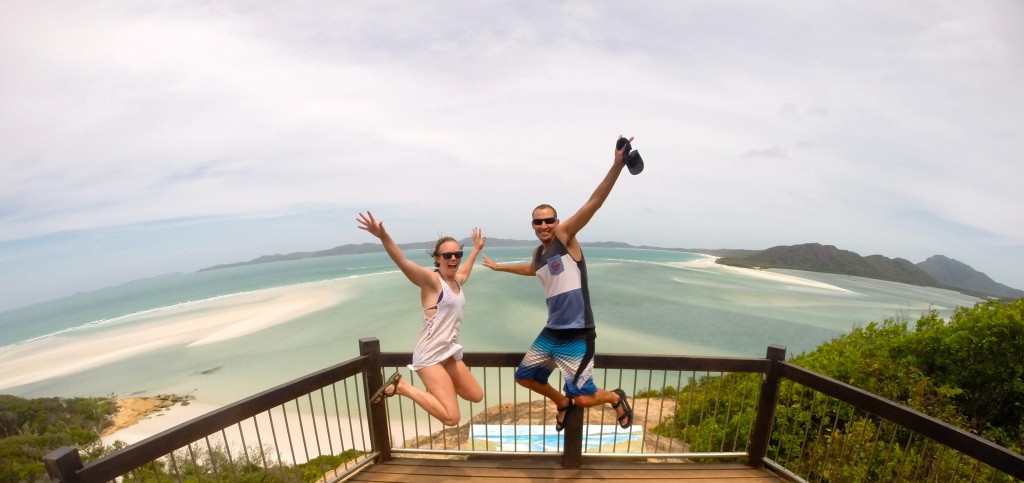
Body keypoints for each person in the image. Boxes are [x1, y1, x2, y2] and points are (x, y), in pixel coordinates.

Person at [481, 135, 635, 431]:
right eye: (538, 222)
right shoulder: (538, 253)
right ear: (532, 225)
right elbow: (532, 270)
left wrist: (617, 165)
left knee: (586, 398)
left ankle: (614, 397)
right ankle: (560, 402)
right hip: (552, 331)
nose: (544, 225)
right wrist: (500, 268)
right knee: (525, 375)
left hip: (578, 333)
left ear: (557, 221)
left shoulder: (566, 238)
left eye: (549, 220)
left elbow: (594, 202)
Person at [357, 211, 485, 426]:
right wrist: (383, 236)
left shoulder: (456, 281)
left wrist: (476, 250)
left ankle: (436, 389)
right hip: (430, 356)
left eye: (457, 254)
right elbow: (403, 262)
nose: (453, 258)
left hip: (448, 351)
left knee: (475, 395)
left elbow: (466, 271)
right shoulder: (431, 282)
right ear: (437, 258)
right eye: (447, 255)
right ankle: (402, 387)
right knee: (452, 418)